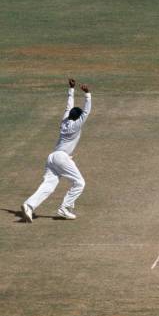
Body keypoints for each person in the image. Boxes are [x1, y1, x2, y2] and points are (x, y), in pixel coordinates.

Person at [21, 79, 92, 222]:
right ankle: (64, 208)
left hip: (52, 157)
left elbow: (68, 107)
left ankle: (29, 205)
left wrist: (71, 90)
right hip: (61, 157)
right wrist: (87, 94)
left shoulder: (65, 120)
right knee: (80, 183)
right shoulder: (76, 126)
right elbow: (86, 112)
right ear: (77, 118)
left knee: (48, 185)